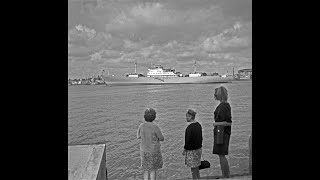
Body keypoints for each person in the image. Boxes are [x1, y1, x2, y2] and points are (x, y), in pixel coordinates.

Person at [137, 108, 164, 180]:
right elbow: (161, 138)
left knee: (145, 169)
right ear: (154, 117)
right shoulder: (155, 126)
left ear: (144, 117)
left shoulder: (141, 126)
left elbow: (138, 136)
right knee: (153, 169)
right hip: (153, 151)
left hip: (144, 150)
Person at [212, 86, 232, 179]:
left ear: (219, 95)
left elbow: (229, 122)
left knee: (222, 155)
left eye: (215, 94)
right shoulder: (223, 105)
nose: (214, 95)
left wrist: (216, 123)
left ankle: (225, 176)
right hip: (220, 133)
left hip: (222, 133)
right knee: (221, 155)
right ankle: (225, 175)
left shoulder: (224, 106)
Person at [182, 109, 203, 180]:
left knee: (193, 169)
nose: (186, 118)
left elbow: (187, 141)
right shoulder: (199, 125)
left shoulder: (189, 128)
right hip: (199, 149)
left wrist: (185, 149)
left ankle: (194, 179)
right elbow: (201, 137)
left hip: (191, 150)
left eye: (187, 116)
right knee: (196, 166)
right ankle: (199, 178)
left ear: (190, 117)